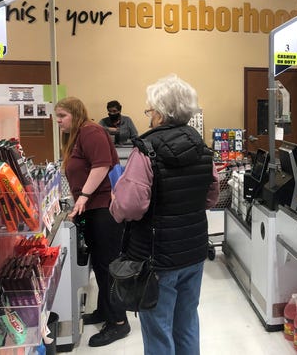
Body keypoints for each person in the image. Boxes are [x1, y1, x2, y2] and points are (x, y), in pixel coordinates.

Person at [110, 74, 220, 355]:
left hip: (155, 258)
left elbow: (130, 207)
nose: (149, 116)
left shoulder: (146, 151)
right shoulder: (202, 148)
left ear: (160, 112)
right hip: (193, 252)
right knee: (187, 321)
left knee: (158, 329)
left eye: (150, 110)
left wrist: (115, 201)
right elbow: (211, 197)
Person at [54, 97, 129, 347]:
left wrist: (83, 196)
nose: (58, 121)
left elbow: (101, 166)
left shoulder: (91, 131)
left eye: (62, 115)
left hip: (103, 209)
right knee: (99, 265)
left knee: (108, 268)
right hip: (92, 209)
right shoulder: (78, 135)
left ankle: (119, 323)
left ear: (75, 114)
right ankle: (104, 311)